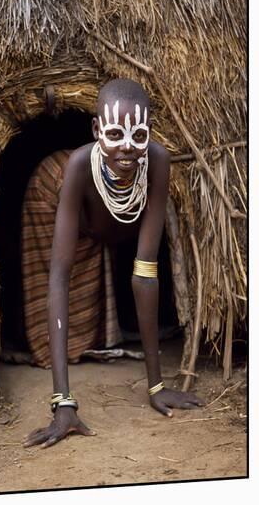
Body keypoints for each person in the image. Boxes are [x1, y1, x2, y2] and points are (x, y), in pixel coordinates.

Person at [22, 78, 204, 449]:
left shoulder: (157, 161)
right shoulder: (78, 166)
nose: (126, 146)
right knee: (60, 293)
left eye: (138, 135)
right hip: (49, 192)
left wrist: (156, 387)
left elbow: (145, 271)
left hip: (104, 227)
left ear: (149, 133)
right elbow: (58, 277)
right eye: (115, 132)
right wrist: (64, 403)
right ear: (95, 130)